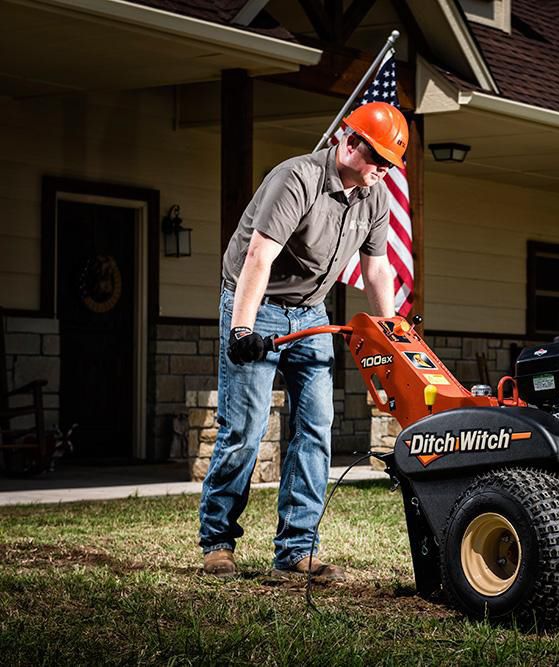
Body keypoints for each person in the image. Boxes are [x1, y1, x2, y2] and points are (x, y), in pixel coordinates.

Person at [199, 102, 408, 579]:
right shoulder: (296, 179)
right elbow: (259, 255)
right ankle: (218, 542)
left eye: (389, 164)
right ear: (348, 142)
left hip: (311, 313)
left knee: (316, 427)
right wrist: (243, 328)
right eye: (377, 159)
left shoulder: (376, 197)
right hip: (257, 302)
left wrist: (392, 330)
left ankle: (297, 549)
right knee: (245, 427)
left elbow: (376, 269)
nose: (382, 172)